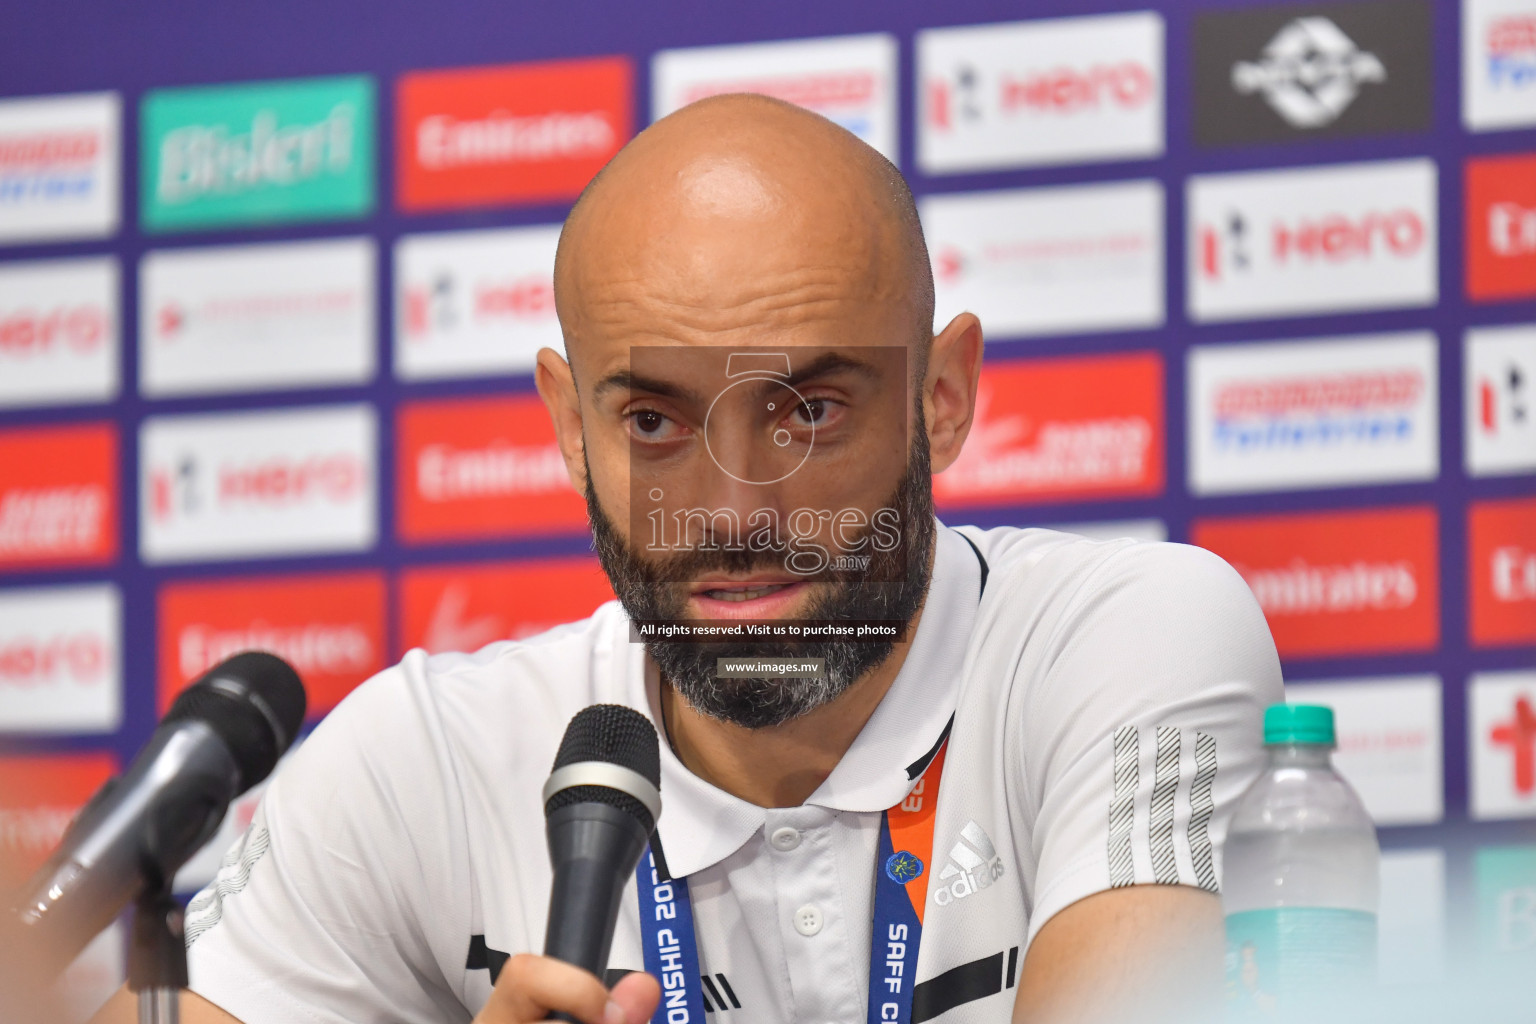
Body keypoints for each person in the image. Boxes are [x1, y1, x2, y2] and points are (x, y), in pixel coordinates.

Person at [93, 94, 1281, 1024]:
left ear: (943, 397)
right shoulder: (419, 766)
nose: (728, 509)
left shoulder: (1120, 639)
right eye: (654, 421)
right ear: (570, 426)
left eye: (806, 409)